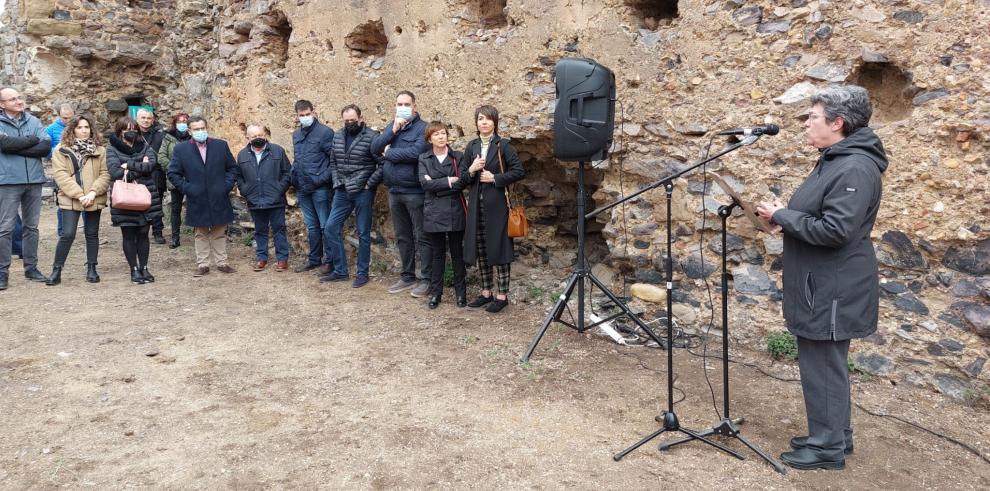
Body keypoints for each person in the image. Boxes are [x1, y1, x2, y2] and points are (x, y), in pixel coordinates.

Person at [755, 85, 888, 471]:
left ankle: (827, 449)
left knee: (823, 366)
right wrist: (785, 219)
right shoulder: (835, 159)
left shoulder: (854, 167)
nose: (806, 124)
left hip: (833, 287)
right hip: (823, 282)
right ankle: (835, 435)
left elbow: (836, 231)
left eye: (812, 117)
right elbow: (821, 217)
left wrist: (783, 216)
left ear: (838, 123)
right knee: (825, 364)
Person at [459, 105, 525, 313]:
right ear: (476, 123)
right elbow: (462, 178)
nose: (484, 122)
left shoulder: (503, 145)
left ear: (495, 122)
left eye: (488, 119)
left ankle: (502, 295)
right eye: (480, 119)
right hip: (476, 207)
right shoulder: (471, 146)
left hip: (498, 207)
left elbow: (518, 171)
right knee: (481, 249)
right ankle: (485, 292)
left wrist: (495, 178)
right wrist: (471, 169)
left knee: (500, 248)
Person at [370, 90, 432, 297]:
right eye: (399, 104)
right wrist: (392, 130)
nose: (402, 107)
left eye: (406, 104)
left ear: (414, 106)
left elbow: (416, 153)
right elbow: (374, 148)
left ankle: (427, 278)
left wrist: (389, 153)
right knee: (403, 236)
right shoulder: (393, 126)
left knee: (422, 236)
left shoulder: (423, 128)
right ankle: (407, 276)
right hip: (394, 191)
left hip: (415, 191)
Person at [167, 116, 238, 277]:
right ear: (190, 131)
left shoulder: (220, 146)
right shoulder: (181, 149)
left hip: (218, 195)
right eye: (196, 129)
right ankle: (203, 264)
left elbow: (232, 169)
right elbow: (173, 173)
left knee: (220, 230)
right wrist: (187, 188)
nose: (200, 132)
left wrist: (225, 186)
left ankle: (222, 262)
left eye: (202, 128)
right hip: (196, 196)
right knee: (200, 231)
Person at [319, 104, 380, 288]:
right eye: (346, 121)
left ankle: (362, 273)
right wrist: (337, 181)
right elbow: (333, 161)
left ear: (361, 118)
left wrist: (370, 184)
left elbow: (383, 163)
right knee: (330, 228)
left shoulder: (372, 137)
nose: (350, 123)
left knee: (363, 233)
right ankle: (340, 271)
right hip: (342, 190)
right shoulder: (338, 135)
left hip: (363, 191)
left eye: (353, 120)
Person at [46, 115, 110, 285]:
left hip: (93, 197)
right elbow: (61, 176)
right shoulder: (60, 150)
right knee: (67, 234)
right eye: (80, 127)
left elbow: (105, 174)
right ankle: (56, 270)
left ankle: (92, 268)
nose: (83, 130)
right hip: (71, 198)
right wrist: (79, 194)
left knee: (92, 234)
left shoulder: (100, 150)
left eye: (87, 127)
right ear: (72, 129)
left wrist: (93, 192)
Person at [0, 87, 52, 290]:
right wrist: (31, 141)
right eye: (12, 99)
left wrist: (16, 146)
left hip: (34, 181)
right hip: (8, 181)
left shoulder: (33, 121)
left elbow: (45, 146)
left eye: (19, 97)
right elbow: (3, 145)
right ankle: (2, 273)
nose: (19, 101)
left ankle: (31, 268)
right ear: (2, 104)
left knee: (32, 227)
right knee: (5, 229)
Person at [106, 116, 163, 284]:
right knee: (129, 234)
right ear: (120, 130)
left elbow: (152, 165)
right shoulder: (112, 148)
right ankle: (134, 269)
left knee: (144, 233)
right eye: (126, 129)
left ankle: (144, 267)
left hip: (145, 196)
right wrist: (140, 165)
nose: (130, 132)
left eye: (133, 128)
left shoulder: (144, 145)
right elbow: (115, 172)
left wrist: (128, 165)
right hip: (125, 198)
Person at [418, 121, 467, 309]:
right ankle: (436, 294)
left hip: (455, 210)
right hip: (433, 212)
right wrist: (447, 181)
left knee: (457, 254)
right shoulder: (424, 158)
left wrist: (436, 184)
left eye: (443, 133)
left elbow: (461, 183)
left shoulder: (458, 157)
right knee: (437, 255)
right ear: (429, 138)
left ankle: (461, 294)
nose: (441, 137)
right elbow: (424, 185)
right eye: (436, 134)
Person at [235, 124, 291, 272]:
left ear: (265, 135)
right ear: (248, 138)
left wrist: (279, 189)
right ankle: (261, 258)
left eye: (260, 135)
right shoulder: (242, 155)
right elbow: (238, 176)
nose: (258, 138)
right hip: (255, 200)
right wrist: (245, 190)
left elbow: (287, 173)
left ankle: (282, 259)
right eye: (254, 136)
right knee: (260, 230)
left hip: (275, 199)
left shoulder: (277, 151)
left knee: (279, 229)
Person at [289, 100, 335, 274]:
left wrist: (320, 179)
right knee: (312, 227)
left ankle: (330, 261)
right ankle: (314, 260)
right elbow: (298, 159)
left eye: (307, 114)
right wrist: (294, 178)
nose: (305, 117)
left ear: (313, 112)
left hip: (320, 188)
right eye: (301, 115)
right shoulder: (296, 135)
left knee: (325, 226)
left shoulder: (325, 133)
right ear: (297, 116)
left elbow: (334, 160)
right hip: (302, 188)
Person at [157, 112, 191, 248]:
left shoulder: (193, 137)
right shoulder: (168, 138)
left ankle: (199, 235)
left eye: (185, 121)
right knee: (175, 209)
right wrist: (175, 169)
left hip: (192, 177)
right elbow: (161, 156)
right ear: (175, 123)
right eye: (179, 121)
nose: (182, 124)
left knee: (194, 206)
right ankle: (175, 238)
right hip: (176, 179)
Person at [135, 108, 169, 244]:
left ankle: (157, 231)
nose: (146, 121)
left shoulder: (160, 134)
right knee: (137, 204)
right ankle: (139, 231)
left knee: (156, 204)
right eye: (143, 118)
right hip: (138, 172)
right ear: (137, 119)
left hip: (156, 173)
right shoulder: (132, 133)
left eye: (148, 118)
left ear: (152, 120)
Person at [46, 103, 74, 237]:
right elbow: (45, 150)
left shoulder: (79, 126)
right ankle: (62, 232)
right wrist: (56, 152)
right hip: (61, 170)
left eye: (70, 117)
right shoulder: (51, 129)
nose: (68, 121)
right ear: (58, 115)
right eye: (65, 118)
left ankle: (88, 232)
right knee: (63, 200)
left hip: (79, 169)